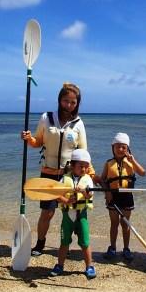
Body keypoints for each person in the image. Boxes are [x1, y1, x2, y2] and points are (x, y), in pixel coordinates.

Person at [21, 82, 93, 256]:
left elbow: (83, 153)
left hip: (69, 176)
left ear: (77, 104)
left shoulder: (78, 124)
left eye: (73, 102)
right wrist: (29, 139)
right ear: (60, 100)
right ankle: (40, 244)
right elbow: (37, 142)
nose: (69, 105)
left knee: (69, 213)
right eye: (66, 101)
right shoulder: (47, 118)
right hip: (48, 173)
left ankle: (65, 245)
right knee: (48, 212)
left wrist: (91, 174)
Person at [49, 149, 96, 279]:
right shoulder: (65, 179)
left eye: (86, 167)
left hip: (81, 216)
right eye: (81, 166)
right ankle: (59, 265)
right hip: (67, 216)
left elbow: (90, 194)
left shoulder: (88, 180)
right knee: (64, 242)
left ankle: (89, 266)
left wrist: (83, 191)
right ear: (72, 165)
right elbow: (57, 195)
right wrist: (67, 200)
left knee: (85, 243)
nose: (84, 169)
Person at [101, 132, 146, 262]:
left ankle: (126, 248)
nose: (120, 149)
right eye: (117, 147)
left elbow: (143, 173)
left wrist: (133, 160)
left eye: (123, 147)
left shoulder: (131, 163)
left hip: (127, 197)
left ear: (127, 149)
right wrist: (107, 192)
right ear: (113, 148)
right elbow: (102, 179)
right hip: (113, 197)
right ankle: (113, 248)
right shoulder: (109, 163)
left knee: (125, 224)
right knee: (114, 223)